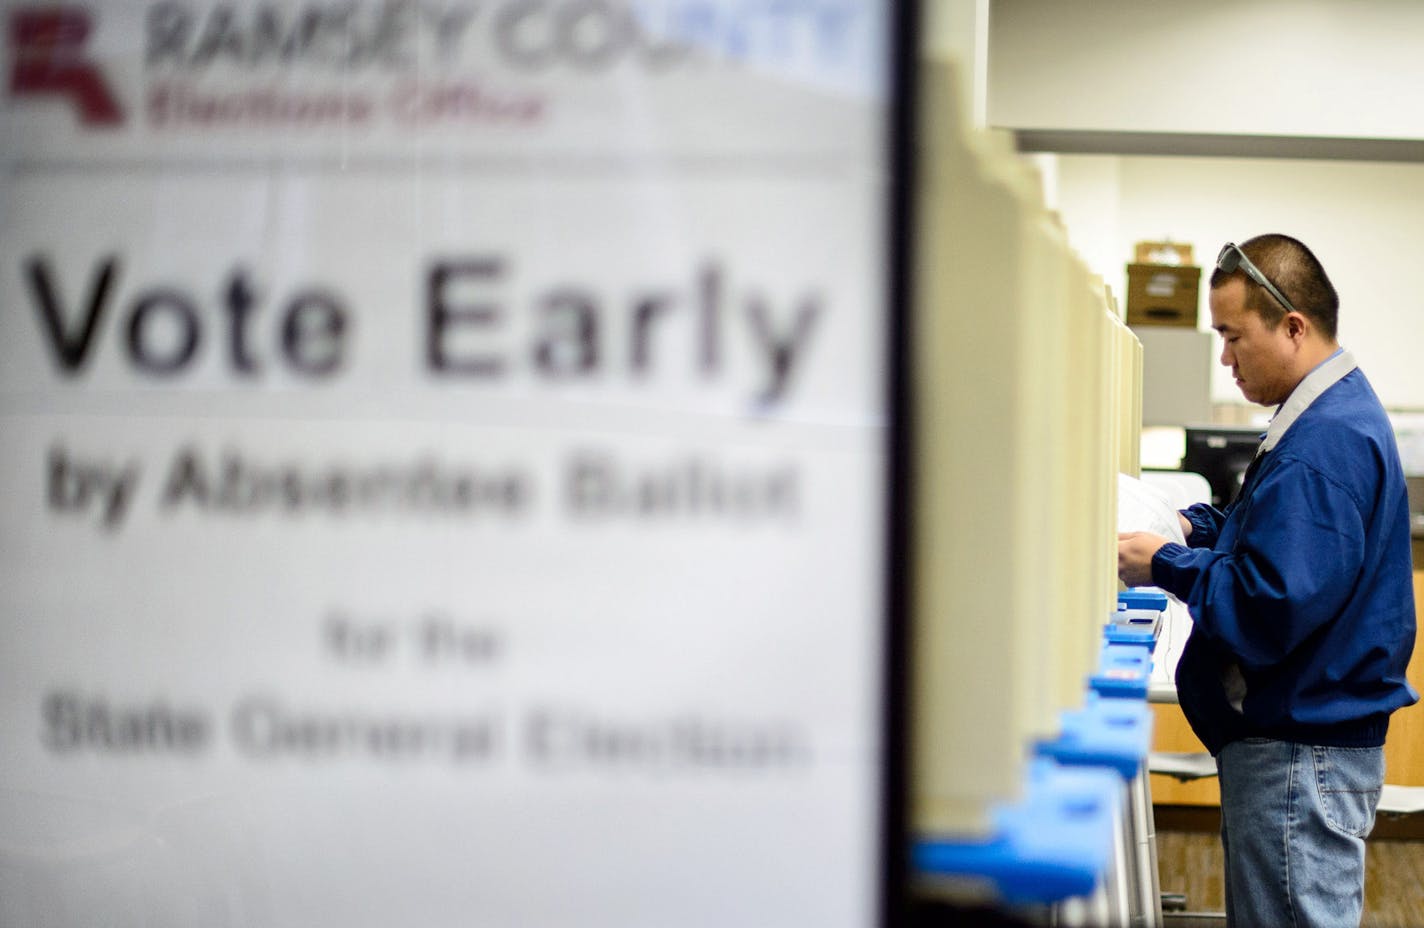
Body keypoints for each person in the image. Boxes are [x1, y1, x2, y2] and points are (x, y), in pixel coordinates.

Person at [1117, 234, 1417, 928]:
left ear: (1292, 326)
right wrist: (1199, 528)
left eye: (1232, 336)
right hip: (1303, 753)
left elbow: (1269, 603)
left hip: (1298, 758)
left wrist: (1163, 562)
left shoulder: (1326, 442)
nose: (1225, 359)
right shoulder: (1324, 416)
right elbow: (1281, 542)